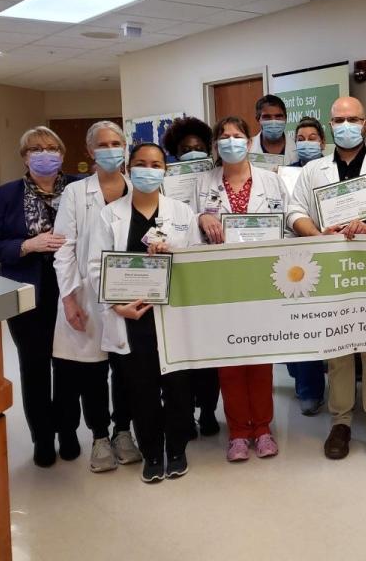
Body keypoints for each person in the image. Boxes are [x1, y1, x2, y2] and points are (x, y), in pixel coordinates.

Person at [288, 96, 366, 460]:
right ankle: (340, 422)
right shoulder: (314, 170)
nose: (345, 125)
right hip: (332, 269)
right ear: (331, 124)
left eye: (352, 119)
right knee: (337, 350)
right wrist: (315, 235)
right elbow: (295, 210)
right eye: (339, 119)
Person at [88, 143, 201, 483]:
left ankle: (177, 448)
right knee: (141, 387)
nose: (148, 170)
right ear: (128, 168)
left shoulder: (182, 213)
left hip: (173, 315)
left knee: (179, 385)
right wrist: (115, 304)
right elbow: (95, 266)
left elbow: (197, 263)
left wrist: (175, 252)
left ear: (165, 170)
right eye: (140, 164)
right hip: (132, 317)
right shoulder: (109, 215)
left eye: (155, 164)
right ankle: (152, 451)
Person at [0, 126, 79, 467]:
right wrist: (27, 245)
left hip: (71, 288)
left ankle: (68, 431)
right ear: (24, 156)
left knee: (68, 365)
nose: (45, 153)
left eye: (51, 147)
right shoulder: (5, 194)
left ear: (62, 154)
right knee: (35, 366)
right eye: (36, 148)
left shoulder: (79, 189)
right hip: (28, 291)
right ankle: (43, 437)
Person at [195, 116, 287, 462]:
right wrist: (200, 218)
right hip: (222, 283)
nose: (231, 141)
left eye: (237, 136)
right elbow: (184, 226)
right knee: (229, 360)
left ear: (249, 142)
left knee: (260, 358)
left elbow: (285, 225)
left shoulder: (270, 181)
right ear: (216, 145)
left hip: (261, 279)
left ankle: (262, 428)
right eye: (224, 137)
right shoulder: (203, 182)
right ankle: (237, 432)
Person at [52, 121, 141, 473]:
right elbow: (64, 249)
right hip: (87, 297)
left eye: (116, 142)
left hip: (131, 295)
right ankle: (100, 437)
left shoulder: (137, 189)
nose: (110, 149)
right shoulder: (76, 193)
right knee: (92, 371)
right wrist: (70, 298)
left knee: (125, 370)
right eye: (102, 144)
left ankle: (123, 431)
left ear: (126, 147)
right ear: (90, 151)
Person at [161, 116, 221, 437]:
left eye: (199, 148)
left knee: (207, 351)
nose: (194, 153)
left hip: (208, 276)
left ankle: (209, 411)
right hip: (173, 276)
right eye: (186, 149)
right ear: (174, 153)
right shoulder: (164, 185)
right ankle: (182, 413)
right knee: (179, 353)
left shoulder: (215, 180)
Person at [284, 116, 327, 415]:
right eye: (301, 137)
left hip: (333, 250)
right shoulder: (282, 174)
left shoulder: (331, 169)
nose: (307, 142)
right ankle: (306, 387)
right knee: (300, 324)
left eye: (313, 137)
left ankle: (315, 387)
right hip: (297, 254)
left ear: (323, 142)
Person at [249, 94, 298, 165]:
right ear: (258, 119)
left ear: (286, 118)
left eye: (278, 116)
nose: (273, 121)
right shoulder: (248, 148)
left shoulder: (296, 147)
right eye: (267, 117)